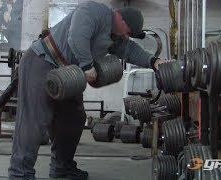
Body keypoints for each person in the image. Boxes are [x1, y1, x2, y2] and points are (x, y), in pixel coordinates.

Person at [8, 1, 165, 179]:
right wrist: (87, 65)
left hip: (68, 74)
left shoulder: (115, 35)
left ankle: (62, 167)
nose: (127, 37)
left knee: (74, 118)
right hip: (42, 61)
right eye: (128, 32)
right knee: (35, 120)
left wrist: (154, 61)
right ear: (120, 18)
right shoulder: (92, 11)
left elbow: (130, 50)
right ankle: (19, 173)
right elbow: (76, 37)